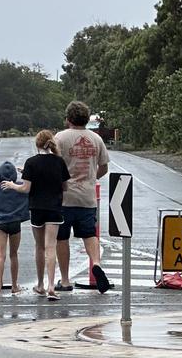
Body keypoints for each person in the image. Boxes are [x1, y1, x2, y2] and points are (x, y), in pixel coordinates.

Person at [1, 130, 69, 301]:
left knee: (40, 247)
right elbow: (65, 187)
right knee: (51, 247)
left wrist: (11, 185)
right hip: (55, 208)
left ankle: (40, 284)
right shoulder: (59, 162)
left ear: (37, 144)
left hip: (37, 209)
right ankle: (52, 286)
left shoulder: (31, 163)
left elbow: (25, 189)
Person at [54, 100, 111, 293]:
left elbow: (52, 165)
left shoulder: (60, 138)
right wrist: (92, 178)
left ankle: (65, 280)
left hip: (64, 197)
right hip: (87, 196)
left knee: (61, 238)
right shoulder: (96, 139)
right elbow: (104, 166)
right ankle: (96, 263)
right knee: (89, 234)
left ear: (68, 118)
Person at [0, 161, 29, 298]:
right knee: (14, 254)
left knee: (1, 255)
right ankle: (14, 285)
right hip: (15, 223)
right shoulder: (18, 188)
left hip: (1, 224)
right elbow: (28, 199)